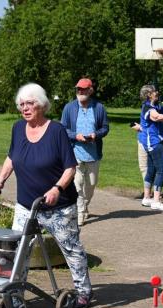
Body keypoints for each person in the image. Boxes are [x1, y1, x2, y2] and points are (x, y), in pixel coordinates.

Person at [0, 83, 93, 308]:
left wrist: (57, 188)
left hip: (59, 207)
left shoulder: (56, 131)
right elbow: (11, 158)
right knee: (17, 252)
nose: (25, 108)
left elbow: (70, 168)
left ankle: (83, 291)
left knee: (71, 249)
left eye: (30, 103)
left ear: (42, 105)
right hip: (27, 206)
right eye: (21, 104)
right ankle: (13, 295)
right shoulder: (18, 128)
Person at [61, 78, 109, 226]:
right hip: (75, 151)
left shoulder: (99, 107)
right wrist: (76, 136)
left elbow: (105, 128)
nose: (80, 92)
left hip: (93, 153)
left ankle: (84, 205)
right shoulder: (69, 107)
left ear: (90, 90)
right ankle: (80, 212)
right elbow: (63, 128)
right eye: (78, 89)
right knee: (77, 184)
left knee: (91, 184)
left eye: (83, 89)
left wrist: (96, 135)